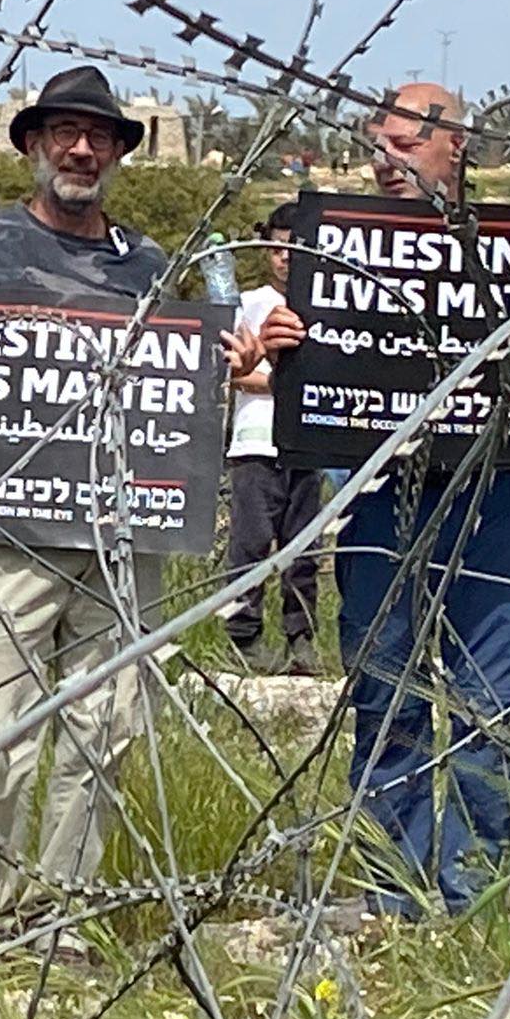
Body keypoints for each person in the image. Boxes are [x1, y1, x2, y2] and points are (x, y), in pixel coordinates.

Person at [257, 82, 510, 917]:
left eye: (408, 141)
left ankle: (474, 881)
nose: (388, 157)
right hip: (380, 483)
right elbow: (303, 360)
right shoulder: (342, 247)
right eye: (381, 142)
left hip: (494, 489)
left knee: (491, 690)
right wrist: (283, 343)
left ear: (459, 147)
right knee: (385, 682)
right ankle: (394, 885)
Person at [0, 65, 261, 937]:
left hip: (124, 525)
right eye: (64, 132)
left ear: (118, 152)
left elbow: (174, 384)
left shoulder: (148, 262)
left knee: (104, 730)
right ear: (34, 144)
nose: (81, 149)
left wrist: (219, 367)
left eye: (100, 136)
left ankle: (60, 918)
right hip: (8, 524)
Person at [225, 200, 323, 674]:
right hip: (255, 443)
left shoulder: (324, 305)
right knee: (250, 544)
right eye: (277, 249)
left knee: (303, 551)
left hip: (307, 443)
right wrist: (283, 379)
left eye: (294, 249)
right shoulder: (246, 304)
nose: (285, 258)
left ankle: (301, 639)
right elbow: (233, 374)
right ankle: (242, 637)